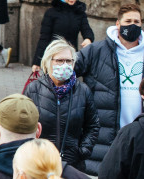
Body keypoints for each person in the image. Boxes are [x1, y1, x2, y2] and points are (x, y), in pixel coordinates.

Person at [74, 3, 144, 179]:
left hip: (141, 133)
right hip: (106, 134)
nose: (132, 25)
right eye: (128, 21)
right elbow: (69, 72)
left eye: (137, 21)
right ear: (118, 24)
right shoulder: (96, 51)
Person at [23, 39, 100, 171]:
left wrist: (83, 150)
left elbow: (92, 125)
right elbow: (22, 125)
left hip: (72, 166)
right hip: (40, 165)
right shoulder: (33, 89)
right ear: (48, 61)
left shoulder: (83, 91)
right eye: (59, 60)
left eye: (68, 61)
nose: (65, 65)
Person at [31, 0, 95, 71]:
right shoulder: (51, 13)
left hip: (70, 57)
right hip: (54, 56)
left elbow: (86, 29)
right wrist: (37, 62)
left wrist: (88, 38)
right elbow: (44, 38)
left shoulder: (79, 13)